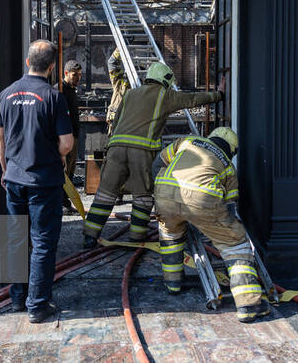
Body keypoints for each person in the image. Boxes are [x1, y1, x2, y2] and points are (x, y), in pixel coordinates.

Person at [82, 62, 222, 247]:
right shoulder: (165, 95)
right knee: (143, 196)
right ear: (165, 80)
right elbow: (192, 99)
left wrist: (112, 145)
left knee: (105, 194)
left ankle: (90, 236)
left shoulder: (130, 93)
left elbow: (116, 122)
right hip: (141, 152)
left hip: (115, 149)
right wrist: (218, 94)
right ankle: (137, 237)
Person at [152, 127, 270, 323]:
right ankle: (249, 304)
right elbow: (231, 203)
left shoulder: (187, 141)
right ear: (232, 150)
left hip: (164, 193)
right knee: (236, 245)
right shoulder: (227, 165)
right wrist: (215, 222)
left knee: (170, 236)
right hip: (203, 200)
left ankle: (173, 284)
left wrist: (159, 188)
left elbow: (158, 162)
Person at [0, 39, 74, 323]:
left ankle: (18, 298)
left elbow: (0, 139)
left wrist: (6, 169)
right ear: (52, 68)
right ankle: (37, 305)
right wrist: (58, 156)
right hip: (44, 181)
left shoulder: (5, 95)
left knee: (17, 240)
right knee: (42, 243)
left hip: (14, 180)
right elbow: (66, 143)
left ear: (28, 62)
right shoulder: (54, 98)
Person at [61, 59, 83, 214]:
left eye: (80, 75)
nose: (78, 78)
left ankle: (65, 201)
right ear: (66, 73)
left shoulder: (71, 90)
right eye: (75, 75)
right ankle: (62, 202)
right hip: (66, 138)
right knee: (64, 172)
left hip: (73, 136)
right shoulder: (60, 90)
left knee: (70, 171)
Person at [106, 49, 130, 136]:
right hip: (116, 130)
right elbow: (112, 63)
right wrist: (120, 49)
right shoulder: (120, 83)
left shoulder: (142, 90)